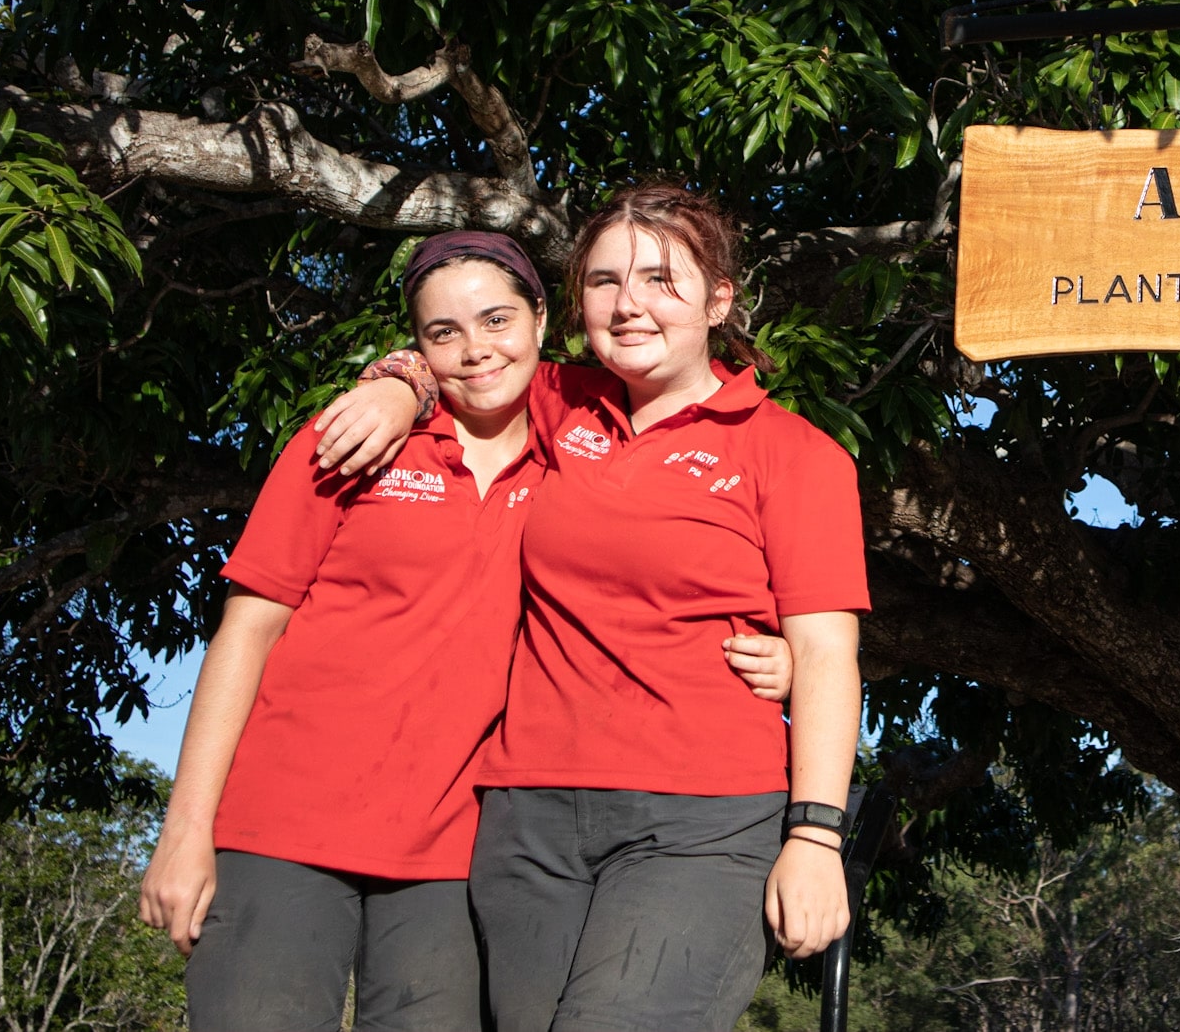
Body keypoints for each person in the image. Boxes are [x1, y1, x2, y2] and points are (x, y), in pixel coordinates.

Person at [136, 231, 793, 1032]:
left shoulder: (576, 454)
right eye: (441, 334)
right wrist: (185, 830)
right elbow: (247, 629)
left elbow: (644, 585)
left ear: (543, 319)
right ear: (417, 343)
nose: (474, 349)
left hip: (452, 853)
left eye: (496, 320)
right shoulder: (355, 439)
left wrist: (783, 655)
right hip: (282, 827)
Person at [320, 183, 869, 1032]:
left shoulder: (796, 454)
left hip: (703, 819)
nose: (629, 303)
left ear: (719, 298)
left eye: (660, 279)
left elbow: (829, 653)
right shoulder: (556, 401)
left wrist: (817, 837)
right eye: (606, 280)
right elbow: (457, 356)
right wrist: (395, 387)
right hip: (527, 817)